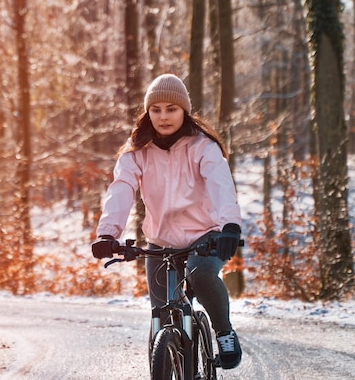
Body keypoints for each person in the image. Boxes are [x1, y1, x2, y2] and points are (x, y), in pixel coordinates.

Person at [91, 73, 243, 369]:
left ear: (184, 111)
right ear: (147, 113)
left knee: (200, 275)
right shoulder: (136, 151)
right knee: (161, 313)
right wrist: (107, 234)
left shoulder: (203, 147)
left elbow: (221, 185)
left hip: (206, 236)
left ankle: (223, 331)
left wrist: (230, 226)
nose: (163, 116)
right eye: (156, 109)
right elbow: (122, 189)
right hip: (160, 240)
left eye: (171, 109)